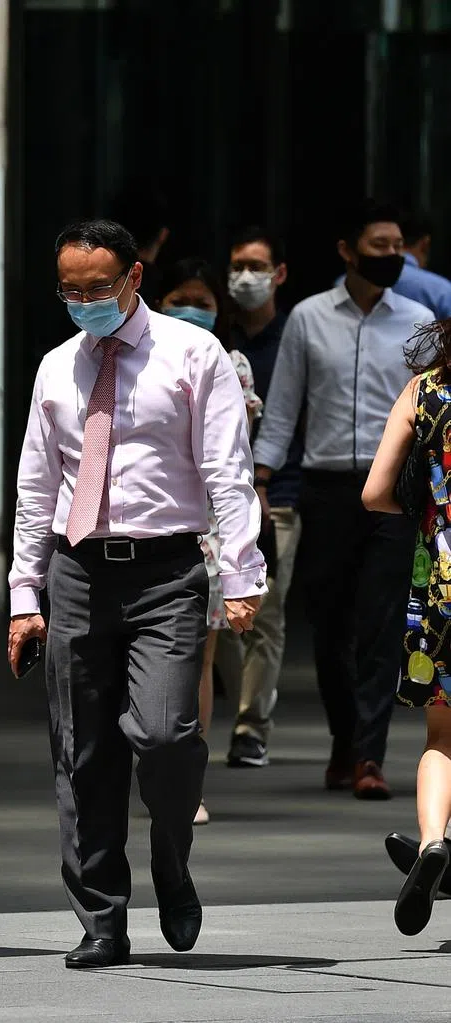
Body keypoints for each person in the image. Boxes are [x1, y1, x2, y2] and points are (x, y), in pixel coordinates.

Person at [8, 219, 266, 969]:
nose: (84, 301)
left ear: (134, 277)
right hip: (77, 573)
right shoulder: (57, 367)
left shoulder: (194, 354)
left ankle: (171, 856)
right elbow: (35, 488)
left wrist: (241, 575)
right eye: (70, 290)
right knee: (82, 752)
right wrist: (25, 595)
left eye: (98, 288)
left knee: (165, 734)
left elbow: (227, 471)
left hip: (167, 572)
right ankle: (102, 918)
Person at [253, 200, 434, 799]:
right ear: (347, 251)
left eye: (398, 247)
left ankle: (369, 755)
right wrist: (260, 477)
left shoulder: (417, 319)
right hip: (327, 487)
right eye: (380, 246)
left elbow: (430, 408)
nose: (392, 256)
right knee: (329, 623)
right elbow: (284, 406)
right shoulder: (308, 318)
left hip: (396, 491)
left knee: (382, 621)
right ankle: (345, 741)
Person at [158, 258, 263, 826]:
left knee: (197, 658)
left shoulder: (230, 363)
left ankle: (186, 782)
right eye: (181, 299)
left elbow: (232, 457)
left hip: (211, 531)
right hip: (151, 524)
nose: (191, 311)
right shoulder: (129, 356)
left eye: (203, 303)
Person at [364, 319, 451, 934]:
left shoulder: (424, 390)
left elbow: (375, 493)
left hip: (440, 585)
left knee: (441, 737)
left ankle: (432, 843)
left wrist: (428, 511)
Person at [219, 226, 297, 769]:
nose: (245, 277)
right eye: (237, 266)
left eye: (257, 266)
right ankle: (233, 708)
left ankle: (251, 727)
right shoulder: (215, 339)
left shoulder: (294, 339)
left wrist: (266, 482)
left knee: (266, 610)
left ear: (279, 274)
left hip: (280, 493)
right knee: (222, 618)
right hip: (216, 500)